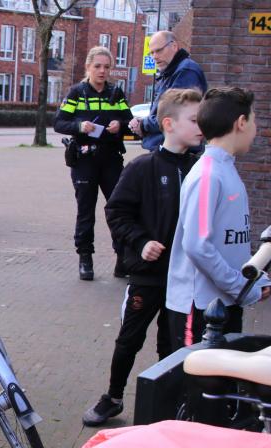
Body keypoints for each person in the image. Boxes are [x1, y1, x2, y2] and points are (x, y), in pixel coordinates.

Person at [82, 89, 203, 426]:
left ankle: (170, 405)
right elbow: (117, 212)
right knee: (129, 340)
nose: (201, 126)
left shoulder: (199, 169)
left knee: (174, 344)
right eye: (194, 120)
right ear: (169, 124)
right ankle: (113, 397)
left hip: (184, 280)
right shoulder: (142, 167)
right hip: (147, 276)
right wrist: (141, 241)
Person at [166, 87, 270, 351]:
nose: (256, 129)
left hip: (225, 302)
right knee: (193, 387)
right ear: (241, 123)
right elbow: (197, 246)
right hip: (200, 307)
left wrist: (252, 282)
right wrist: (240, 287)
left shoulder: (226, 170)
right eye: (254, 121)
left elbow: (230, 243)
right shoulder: (209, 174)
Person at [54, 46, 133, 281]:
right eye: (97, 66)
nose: (102, 71)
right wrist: (80, 127)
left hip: (111, 159)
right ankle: (85, 259)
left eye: (107, 67)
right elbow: (59, 123)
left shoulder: (115, 94)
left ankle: (123, 258)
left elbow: (129, 121)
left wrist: (121, 124)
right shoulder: (77, 93)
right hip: (85, 160)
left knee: (119, 210)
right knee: (86, 211)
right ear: (88, 67)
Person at [129, 31, 207, 151]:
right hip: (168, 150)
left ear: (174, 46)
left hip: (176, 152)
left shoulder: (185, 71)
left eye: (159, 50)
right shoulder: (172, 72)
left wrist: (143, 125)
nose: (155, 56)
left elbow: (174, 115)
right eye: (152, 53)